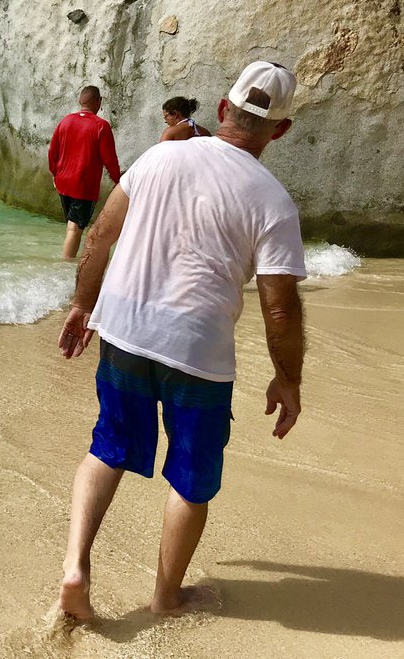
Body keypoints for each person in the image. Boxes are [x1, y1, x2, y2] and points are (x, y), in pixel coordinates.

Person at [54, 61, 305, 621]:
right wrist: (288, 378)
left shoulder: (160, 155)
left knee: (107, 448)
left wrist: (82, 304)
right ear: (280, 131)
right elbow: (280, 306)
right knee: (192, 479)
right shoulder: (272, 199)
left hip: (124, 328)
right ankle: (166, 596)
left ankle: (75, 566)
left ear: (222, 109)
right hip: (197, 349)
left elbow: (100, 233)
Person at [48, 86, 122, 259]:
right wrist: (118, 181)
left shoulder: (66, 121)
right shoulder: (101, 126)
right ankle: (64, 269)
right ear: (98, 102)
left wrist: (54, 174)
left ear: (80, 101)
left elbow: (53, 151)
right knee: (74, 229)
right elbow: (110, 159)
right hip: (83, 185)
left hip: (63, 182)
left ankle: (68, 263)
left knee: (71, 226)